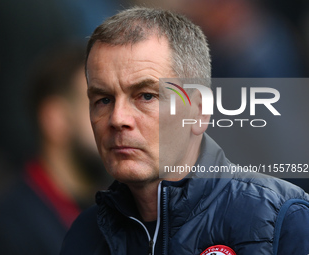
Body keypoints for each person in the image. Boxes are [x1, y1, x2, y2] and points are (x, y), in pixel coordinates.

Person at [60, 7, 309, 255]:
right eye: (103, 99)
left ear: (199, 111)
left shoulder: (283, 219)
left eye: (146, 96)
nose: (117, 118)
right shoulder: (84, 235)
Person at [0, 43, 109, 255]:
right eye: (101, 102)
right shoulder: (9, 230)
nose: (117, 119)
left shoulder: (105, 214)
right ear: (56, 119)